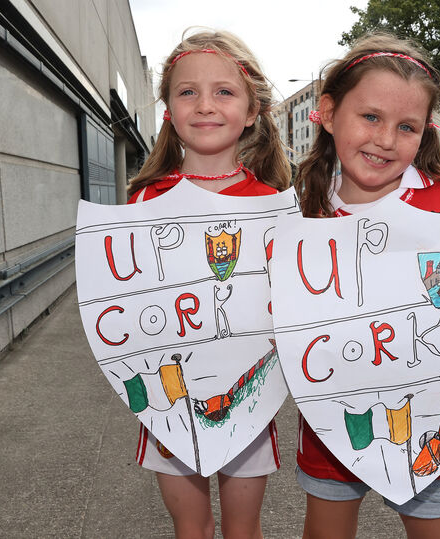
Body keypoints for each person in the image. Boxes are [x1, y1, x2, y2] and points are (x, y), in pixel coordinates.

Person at [294, 33, 440, 539]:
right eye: (371, 117)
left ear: (424, 133)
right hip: (335, 416)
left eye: (406, 127)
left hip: (434, 419)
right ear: (329, 112)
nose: (384, 139)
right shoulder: (300, 211)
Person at [126, 29, 290, 539]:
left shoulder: (277, 204)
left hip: (249, 398)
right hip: (170, 401)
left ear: (252, 109)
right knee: (191, 528)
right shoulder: (142, 201)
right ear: (169, 110)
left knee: (243, 531)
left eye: (224, 91)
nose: (205, 105)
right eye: (187, 91)